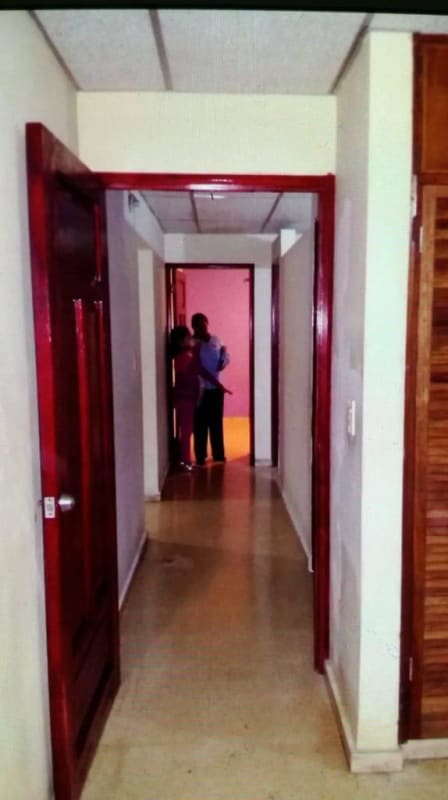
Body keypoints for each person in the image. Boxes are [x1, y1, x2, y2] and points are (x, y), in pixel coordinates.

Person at [169, 325, 231, 472]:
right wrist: (196, 350)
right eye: (188, 338)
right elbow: (196, 368)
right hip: (185, 399)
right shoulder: (182, 358)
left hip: (190, 398)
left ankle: (186, 462)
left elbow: (201, 371)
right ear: (181, 341)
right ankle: (186, 463)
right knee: (187, 431)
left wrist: (219, 385)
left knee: (188, 430)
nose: (191, 339)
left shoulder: (187, 355)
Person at [191, 313, 230, 466]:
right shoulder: (193, 343)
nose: (202, 328)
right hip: (200, 390)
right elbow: (197, 367)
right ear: (194, 327)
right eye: (198, 326)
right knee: (200, 423)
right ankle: (200, 456)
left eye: (204, 325)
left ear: (208, 323)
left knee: (216, 422)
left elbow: (226, 357)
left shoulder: (216, 340)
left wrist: (224, 361)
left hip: (216, 388)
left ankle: (218, 454)